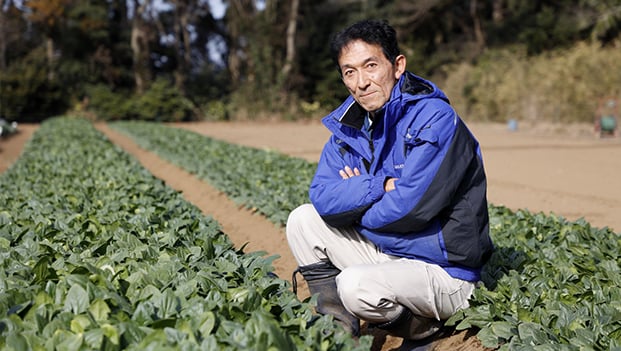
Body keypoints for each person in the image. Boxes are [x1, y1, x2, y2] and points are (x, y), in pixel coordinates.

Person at [286, 19, 494, 348]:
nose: (361, 82)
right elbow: (324, 198)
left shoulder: (434, 118)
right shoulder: (347, 132)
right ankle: (338, 328)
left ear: (397, 66)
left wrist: (354, 206)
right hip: (390, 255)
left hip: (444, 273)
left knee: (355, 286)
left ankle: (424, 329)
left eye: (371, 66)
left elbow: (412, 208)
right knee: (302, 220)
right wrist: (377, 187)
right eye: (349, 71)